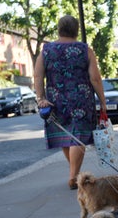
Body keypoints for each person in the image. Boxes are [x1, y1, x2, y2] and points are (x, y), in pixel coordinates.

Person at [34, 15, 107, 190]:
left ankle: (74, 173)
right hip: (81, 99)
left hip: (55, 101)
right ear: (76, 30)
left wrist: (41, 98)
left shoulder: (46, 51)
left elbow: (38, 75)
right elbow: (95, 78)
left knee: (66, 137)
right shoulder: (85, 50)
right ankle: (74, 176)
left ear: (59, 29)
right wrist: (103, 101)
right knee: (77, 138)